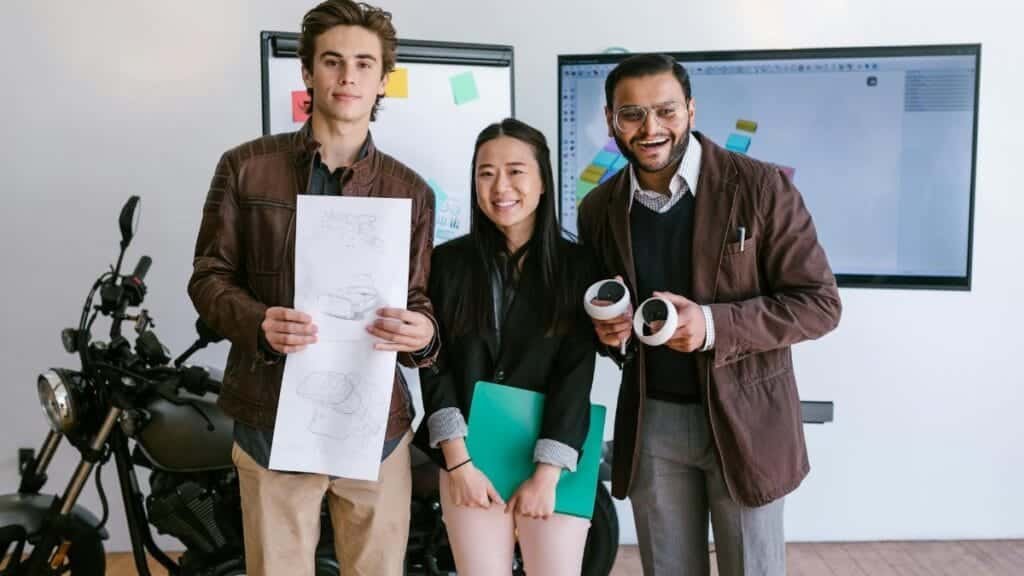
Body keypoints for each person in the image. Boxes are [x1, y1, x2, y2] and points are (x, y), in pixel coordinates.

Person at [188, 2, 438, 574]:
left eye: (363, 64)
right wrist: (258, 322)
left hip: (377, 430)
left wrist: (422, 333)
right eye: (332, 61)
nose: (348, 76)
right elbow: (208, 276)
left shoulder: (411, 191)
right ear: (307, 72)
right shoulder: (245, 167)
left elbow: (419, 303)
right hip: (272, 420)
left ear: (382, 80)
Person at [578, 53, 842, 576]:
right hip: (653, 421)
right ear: (611, 120)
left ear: (692, 111)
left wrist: (713, 326)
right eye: (632, 114)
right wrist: (609, 333)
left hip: (747, 422)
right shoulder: (598, 208)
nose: (651, 128)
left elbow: (819, 303)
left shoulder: (762, 187)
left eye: (666, 111)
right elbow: (611, 316)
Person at [416, 118, 597, 575]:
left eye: (516, 171)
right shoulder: (445, 264)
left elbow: (576, 373)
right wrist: (460, 465)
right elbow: (431, 364)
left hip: (554, 461)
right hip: (469, 461)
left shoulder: (578, 268)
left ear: (541, 183)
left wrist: (547, 474)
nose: (500, 187)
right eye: (485, 172)